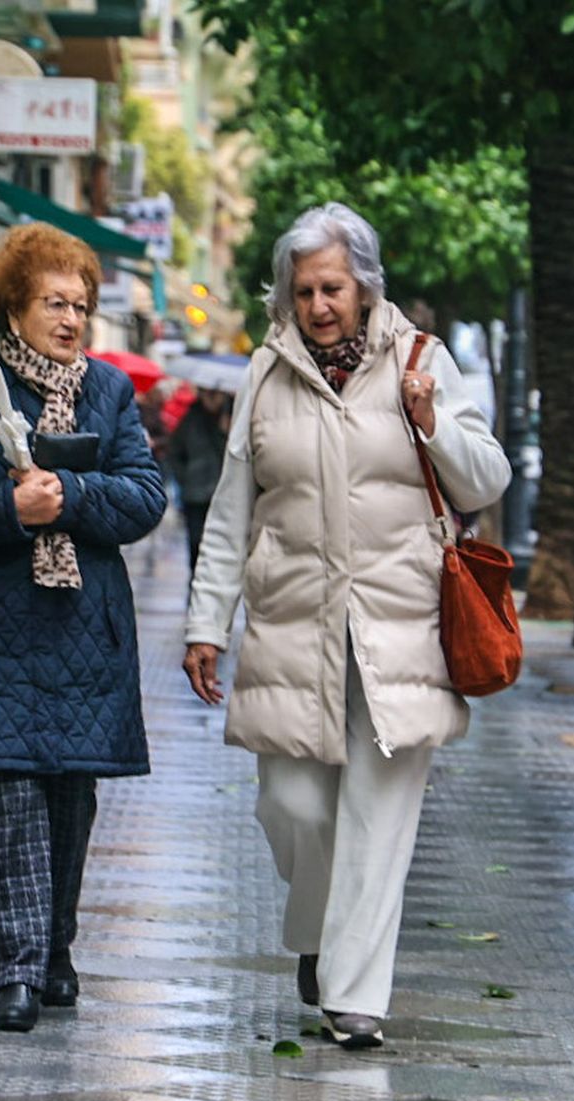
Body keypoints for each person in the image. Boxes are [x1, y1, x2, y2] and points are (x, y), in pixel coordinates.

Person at [182, 203, 510, 1050]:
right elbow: (231, 511)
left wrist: (432, 424)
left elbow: (487, 480)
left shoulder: (423, 361)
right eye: (304, 291)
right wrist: (205, 622)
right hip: (293, 624)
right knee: (293, 806)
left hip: (402, 629)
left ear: (364, 286)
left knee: (378, 819)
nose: (319, 305)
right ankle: (320, 934)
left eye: (332, 288)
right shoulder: (266, 375)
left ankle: (355, 995)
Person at [0, 223, 166, 1033]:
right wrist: (8, 506)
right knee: (11, 790)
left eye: (80, 305)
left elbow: (144, 496)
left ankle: (54, 952)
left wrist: (71, 496)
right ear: (12, 307)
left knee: (70, 796)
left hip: (85, 631)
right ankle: (15, 970)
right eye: (55, 303)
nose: (71, 319)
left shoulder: (108, 393)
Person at [167, 384, 232, 572]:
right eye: (208, 393)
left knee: (221, 544)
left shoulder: (229, 417)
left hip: (222, 492)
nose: (212, 398)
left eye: (215, 394)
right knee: (195, 541)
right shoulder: (190, 419)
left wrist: (224, 432)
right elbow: (175, 451)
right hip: (195, 492)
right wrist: (185, 478)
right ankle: (195, 580)